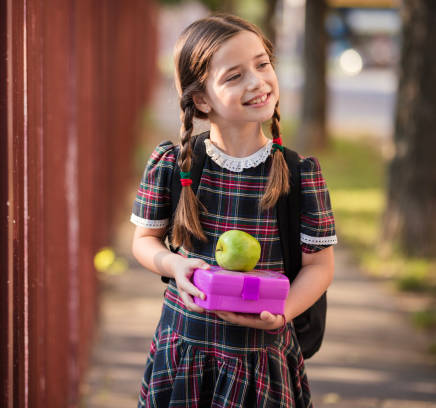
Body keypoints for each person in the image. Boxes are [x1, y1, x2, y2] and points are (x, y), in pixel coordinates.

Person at [130, 13, 336, 407]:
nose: (258, 82)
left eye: (262, 64)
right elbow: (144, 241)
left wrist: (284, 312)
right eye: (235, 75)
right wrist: (174, 266)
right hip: (185, 351)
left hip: (261, 358)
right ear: (201, 99)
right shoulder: (174, 165)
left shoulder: (299, 173)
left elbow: (319, 267)